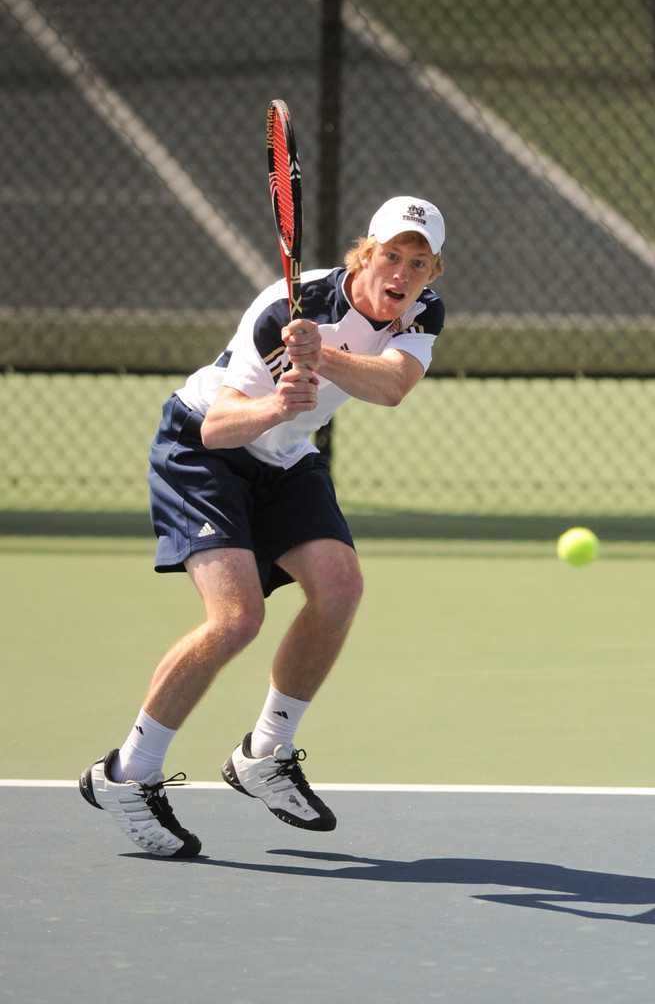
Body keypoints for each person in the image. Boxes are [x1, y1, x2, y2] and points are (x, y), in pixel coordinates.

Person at [79, 196, 446, 857]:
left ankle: (264, 754)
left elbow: (392, 385)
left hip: (285, 459)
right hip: (202, 450)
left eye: (418, 263)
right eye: (391, 254)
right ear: (365, 255)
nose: (402, 272)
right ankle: (126, 773)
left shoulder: (421, 314)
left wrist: (323, 361)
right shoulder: (286, 308)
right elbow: (220, 426)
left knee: (339, 587)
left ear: (429, 275)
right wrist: (277, 401)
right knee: (236, 619)